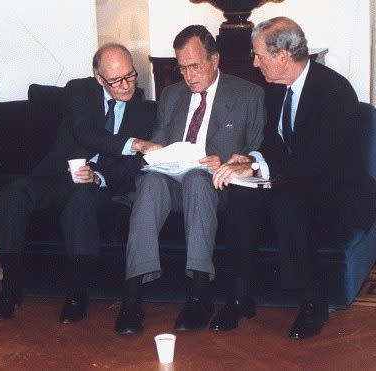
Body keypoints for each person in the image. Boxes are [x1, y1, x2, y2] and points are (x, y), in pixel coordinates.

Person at [211, 17, 376, 339]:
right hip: (296, 181)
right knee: (243, 193)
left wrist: (260, 170)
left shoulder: (334, 90)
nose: (254, 62)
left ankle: (313, 302)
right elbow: (273, 145)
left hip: (339, 190)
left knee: (289, 200)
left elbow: (317, 161)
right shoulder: (275, 90)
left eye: (259, 55)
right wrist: (251, 160)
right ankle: (239, 295)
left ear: (284, 55)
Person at [114, 25, 266, 335]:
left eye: (195, 66)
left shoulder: (248, 95)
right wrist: (157, 154)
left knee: (197, 178)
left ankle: (199, 294)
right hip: (171, 181)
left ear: (215, 59)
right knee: (152, 183)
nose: (189, 75)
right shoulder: (171, 95)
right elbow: (157, 142)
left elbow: (256, 152)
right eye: (182, 68)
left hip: (214, 186)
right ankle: (131, 299)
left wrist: (224, 163)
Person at [0, 43, 157, 323]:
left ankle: (77, 293)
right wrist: (134, 144)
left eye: (130, 75)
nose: (126, 85)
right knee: (13, 194)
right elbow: (86, 133)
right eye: (116, 80)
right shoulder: (79, 90)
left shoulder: (145, 110)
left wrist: (99, 177)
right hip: (56, 176)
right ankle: (10, 286)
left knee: (81, 198)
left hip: (98, 186)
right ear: (99, 79)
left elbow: (131, 166)